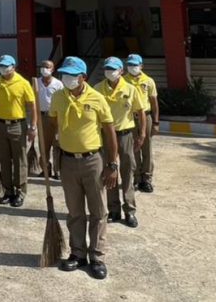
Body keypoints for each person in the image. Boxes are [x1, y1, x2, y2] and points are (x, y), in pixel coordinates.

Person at [50, 56, 118, 279]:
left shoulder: (97, 98)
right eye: (64, 74)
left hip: (93, 161)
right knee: (75, 211)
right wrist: (46, 154)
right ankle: (78, 253)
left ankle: (97, 256)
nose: (66, 78)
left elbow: (109, 132)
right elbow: (52, 125)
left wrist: (112, 164)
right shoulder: (58, 97)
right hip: (68, 161)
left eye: (71, 75)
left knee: (98, 211)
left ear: (83, 78)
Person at [96, 57, 146, 229]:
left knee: (127, 171)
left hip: (125, 134)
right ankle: (113, 209)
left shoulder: (130, 89)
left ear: (121, 71)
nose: (110, 72)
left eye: (113, 69)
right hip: (105, 135)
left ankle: (130, 210)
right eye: (107, 69)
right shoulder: (98, 89)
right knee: (109, 171)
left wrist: (142, 134)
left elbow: (140, 112)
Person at [0, 54, 37, 207]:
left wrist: (33, 127)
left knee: (19, 159)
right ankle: (8, 190)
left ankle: (20, 191)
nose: (3, 68)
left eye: (6, 66)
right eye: (1, 66)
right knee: (4, 158)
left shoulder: (23, 83)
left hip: (17, 125)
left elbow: (32, 106)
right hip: (0, 124)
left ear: (13, 67)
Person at [123, 54, 160, 193]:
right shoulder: (123, 80)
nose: (132, 67)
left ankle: (147, 178)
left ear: (141, 66)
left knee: (146, 147)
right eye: (129, 65)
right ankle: (136, 178)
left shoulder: (148, 81)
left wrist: (156, 122)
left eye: (135, 65)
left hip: (146, 116)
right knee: (133, 148)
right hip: (130, 117)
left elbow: (154, 103)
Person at [34, 59, 64, 179]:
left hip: (55, 117)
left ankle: (58, 171)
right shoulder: (36, 82)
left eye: (47, 67)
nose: (44, 69)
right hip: (42, 117)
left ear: (52, 69)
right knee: (43, 145)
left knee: (57, 144)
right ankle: (46, 169)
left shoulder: (58, 84)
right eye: (42, 67)